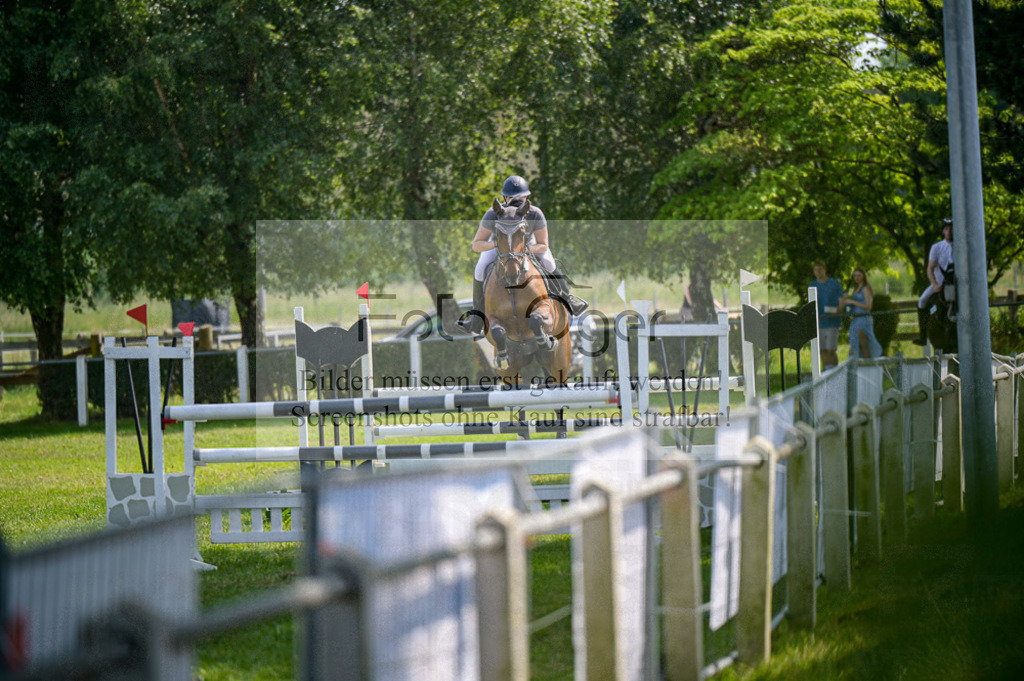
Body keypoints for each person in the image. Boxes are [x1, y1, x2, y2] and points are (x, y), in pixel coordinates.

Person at [458, 175, 588, 334]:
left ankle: (568, 298)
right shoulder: (493, 213)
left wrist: (523, 249)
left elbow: (543, 245)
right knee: (480, 268)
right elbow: (477, 245)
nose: (516, 201)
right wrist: (497, 245)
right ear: (504, 197)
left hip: (527, 243)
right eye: (512, 198)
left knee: (548, 262)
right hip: (500, 244)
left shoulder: (534, 213)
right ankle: (476, 315)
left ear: (526, 197)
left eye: (520, 198)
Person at [913, 217, 954, 345]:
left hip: (958, 285)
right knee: (922, 300)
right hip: (940, 283)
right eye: (947, 229)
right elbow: (930, 269)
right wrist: (935, 285)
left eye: (952, 229)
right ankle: (923, 336)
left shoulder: (961, 246)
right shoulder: (937, 247)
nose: (949, 231)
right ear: (943, 231)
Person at [840, 268, 883, 359]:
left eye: (859, 275)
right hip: (856, 319)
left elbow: (868, 306)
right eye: (855, 275)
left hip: (864, 318)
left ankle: (868, 365)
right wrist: (847, 299)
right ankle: (859, 365)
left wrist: (853, 302)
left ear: (863, 276)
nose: (857, 277)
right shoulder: (855, 289)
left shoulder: (866, 288)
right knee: (856, 344)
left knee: (863, 342)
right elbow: (851, 307)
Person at [809, 261, 843, 369]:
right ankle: (826, 374)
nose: (818, 272)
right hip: (818, 322)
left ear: (825, 269)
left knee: (830, 350)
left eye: (820, 269)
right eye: (816, 270)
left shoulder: (834, 283)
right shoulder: (812, 285)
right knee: (822, 350)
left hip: (832, 322)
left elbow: (841, 301)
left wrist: (838, 311)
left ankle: (834, 373)